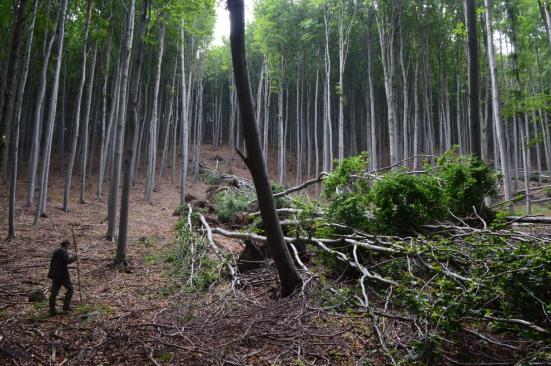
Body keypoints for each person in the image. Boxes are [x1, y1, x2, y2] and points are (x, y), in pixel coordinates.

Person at [48, 240, 77, 316]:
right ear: (66, 245)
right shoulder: (64, 251)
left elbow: (53, 263)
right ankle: (65, 307)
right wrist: (74, 257)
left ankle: (52, 309)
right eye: (68, 245)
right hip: (62, 275)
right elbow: (67, 261)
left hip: (55, 275)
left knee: (54, 292)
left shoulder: (57, 251)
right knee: (70, 289)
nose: (68, 247)